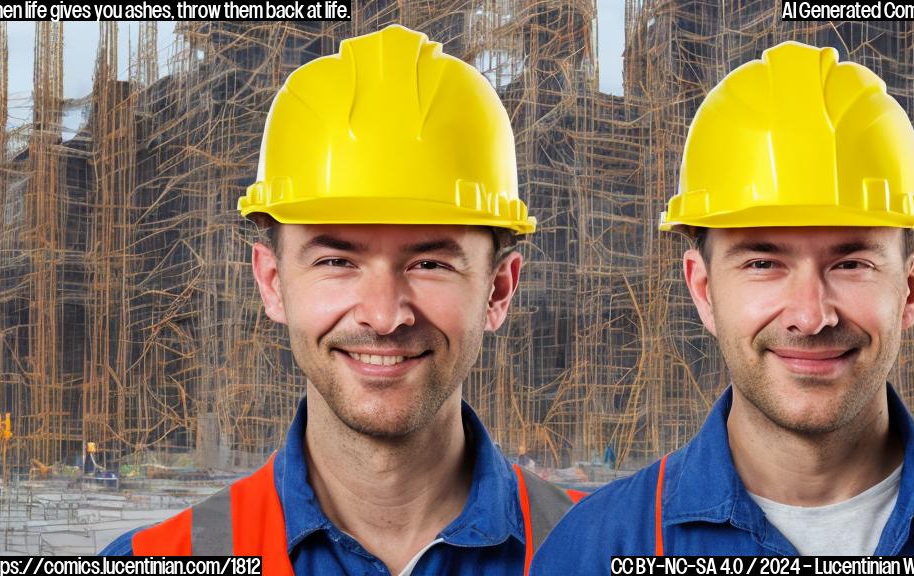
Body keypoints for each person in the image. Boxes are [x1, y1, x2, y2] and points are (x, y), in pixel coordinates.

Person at [101, 25, 582, 575]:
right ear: (272, 282)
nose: (383, 315)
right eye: (336, 262)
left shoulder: (601, 552)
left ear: (499, 289)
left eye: (429, 264)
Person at [531, 41, 914, 568]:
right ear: (704, 290)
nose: (810, 315)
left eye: (850, 264)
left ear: (912, 287)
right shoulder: (597, 550)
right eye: (763, 264)